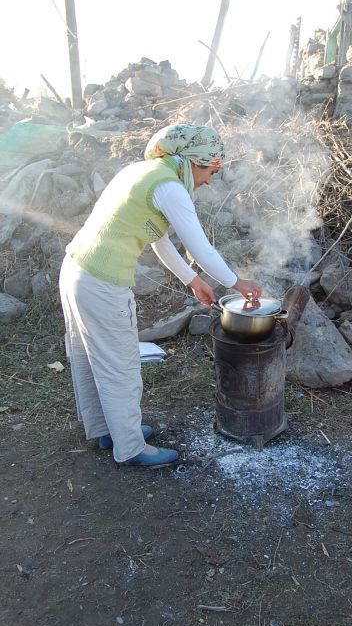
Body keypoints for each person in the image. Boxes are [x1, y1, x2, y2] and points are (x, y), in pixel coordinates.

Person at [59, 123, 261, 468]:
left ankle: (108, 430)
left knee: (90, 357)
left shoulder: (144, 172)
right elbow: (201, 245)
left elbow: (158, 238)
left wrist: (192, 279)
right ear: (194, 162)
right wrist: (235, 281)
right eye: (211, 170)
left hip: (77, 271)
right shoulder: (171, 187)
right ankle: (131, 449)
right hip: (102, 283)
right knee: (119, 365)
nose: (210, 180)